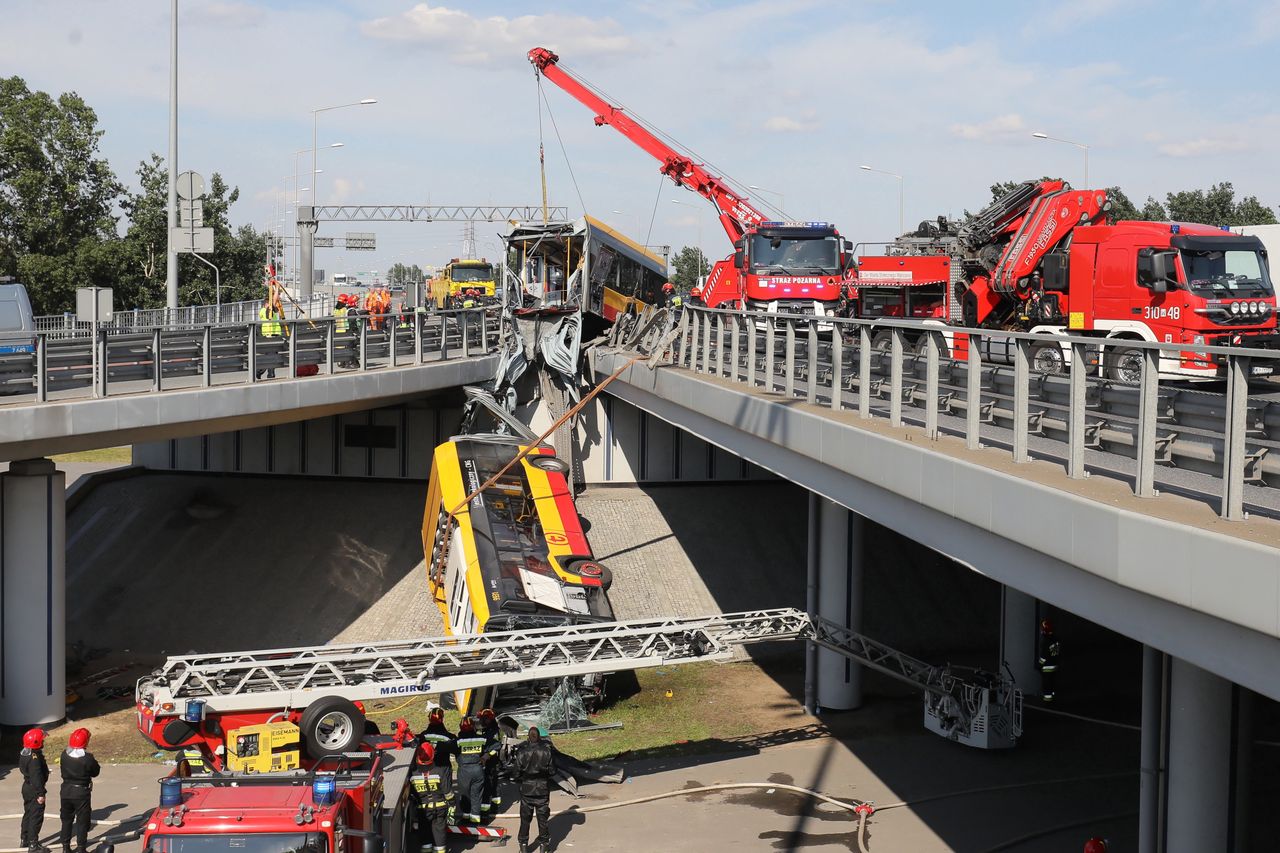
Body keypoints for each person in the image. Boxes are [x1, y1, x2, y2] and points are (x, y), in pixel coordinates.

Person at [509, 727, 555, 853]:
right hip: (542, 790)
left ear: (528, 737)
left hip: (527, 790)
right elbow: (553, 771)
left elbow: (516, 773)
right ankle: (544, 846)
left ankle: (523, 845)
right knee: (543, 819)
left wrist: (523, 778)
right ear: (539, 737)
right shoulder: (546, 751)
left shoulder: (522, 752)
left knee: (525, 820)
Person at [58, 728, 99, 853]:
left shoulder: (64, 755)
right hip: (81, 792)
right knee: (82, 821)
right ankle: (81, 848)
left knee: (66, 820)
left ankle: (65, 847)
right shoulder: (87, 758)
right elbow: (95, 772)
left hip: (66, 790)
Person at [409, 743, 453, 853]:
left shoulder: (413, 774)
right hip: (440, 809)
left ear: (418, 757)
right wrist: (452, 805)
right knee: (439, 833)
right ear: (433, 756)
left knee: (425, 833)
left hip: (423, 810)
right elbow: (448, 792)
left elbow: (412, 794)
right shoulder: (440, 771)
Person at [455, 716, 495, 823]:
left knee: (465, 794)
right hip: (478, 770)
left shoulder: (458, 741)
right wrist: (486, 756)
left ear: (460, 727)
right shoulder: (481, 739)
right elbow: (496, 745)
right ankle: (475, 820)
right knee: (476, 795)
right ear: (473, 727)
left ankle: (466, 817)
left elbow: (443, 747)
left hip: (464, 771)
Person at [20, 728, 49, 853]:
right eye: (42, 740)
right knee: (35, 816)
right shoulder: (34, 758)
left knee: (28, 813)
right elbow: (36, 776)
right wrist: (40, 793)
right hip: (34, 788)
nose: (43, 742)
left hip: (27, 787)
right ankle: (33, 845)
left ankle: (25, 839)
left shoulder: (25, 752)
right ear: (37, 742)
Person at [417, 707, 457, 788]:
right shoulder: (449, 737)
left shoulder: (423, 736)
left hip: (428, 768)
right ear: (442, 719)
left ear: (429, 719)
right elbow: (455, 749)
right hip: (443, 767)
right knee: (446, 790)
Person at [477, 708, 503, 809]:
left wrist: (488, 755)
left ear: (489, 719)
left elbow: (497, 746)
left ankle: (495, 807)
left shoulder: (495, 732)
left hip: (492, 762)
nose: (481, 721)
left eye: (483, 719)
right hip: (484, 760)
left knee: (492, 783)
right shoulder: (485, 729)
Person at [256, 298, 284, 379]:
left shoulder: (272, 310)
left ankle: (262, 372)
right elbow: (269, 313)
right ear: (265, 304)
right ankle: (268, 373)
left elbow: (276, 309)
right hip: (268, 334)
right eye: (269, 303)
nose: (271, 305)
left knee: (272, 355)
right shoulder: (263, 311)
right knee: (271, 355)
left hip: (275, 334)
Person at [1037, 617, 1061, 702]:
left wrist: (1039, 665)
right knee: (1052, 685)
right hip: (1055, 667)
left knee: (1047, 687)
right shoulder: (1055, 640)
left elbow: (1044, 656)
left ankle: (1047, 703)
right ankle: (1053, 700)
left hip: (1047, 669)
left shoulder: (1046, 641)